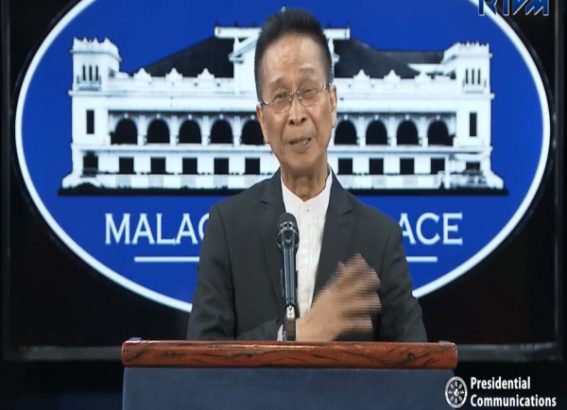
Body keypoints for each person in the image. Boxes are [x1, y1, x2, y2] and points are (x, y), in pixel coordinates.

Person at [188, 8, 426, 342]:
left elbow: (416, 365)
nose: (296, 114)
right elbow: (200, 360)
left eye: (309, 91)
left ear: (333, 102)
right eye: (280, 97)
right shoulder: (227, 229)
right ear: (262, 121)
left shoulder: (379, 240)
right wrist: (296, 334)